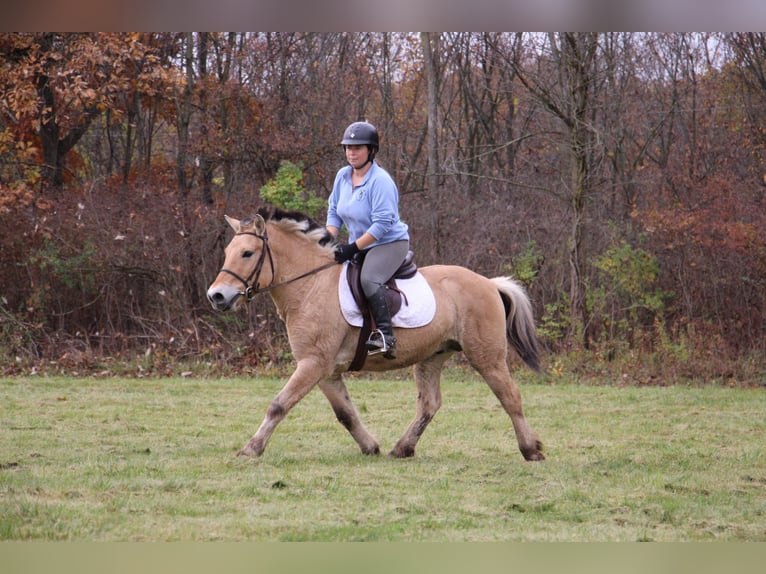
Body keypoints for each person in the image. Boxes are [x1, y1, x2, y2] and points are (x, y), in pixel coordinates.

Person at [326, 121, 409, 359]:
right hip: (361, 244)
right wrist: (328, 239)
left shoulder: (380, 181)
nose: (351, 152)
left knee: (369, 279)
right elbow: (333, 212)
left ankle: (385, 336)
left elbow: (382, 225)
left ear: (371, 150)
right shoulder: (342, 176)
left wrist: (352, 247)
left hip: (389, 243)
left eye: (358, 147)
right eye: (348, 148)